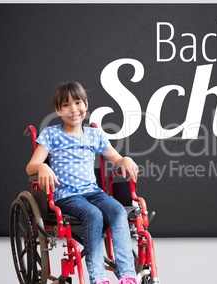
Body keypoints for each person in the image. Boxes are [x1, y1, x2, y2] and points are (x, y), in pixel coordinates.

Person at [26, 81, 138, 284]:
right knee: (93, 214)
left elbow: (116, 159)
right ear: (57, 110)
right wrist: (42, 167)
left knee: (118, 211)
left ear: (86, 104)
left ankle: (127, 275)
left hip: (93, 193)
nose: (73, 109)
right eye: (65, 105)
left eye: (77, 102)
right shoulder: (51, 134)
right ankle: (98, 278)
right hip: (67, 196)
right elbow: (31, 166)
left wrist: (126, 160)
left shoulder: (95, 135)